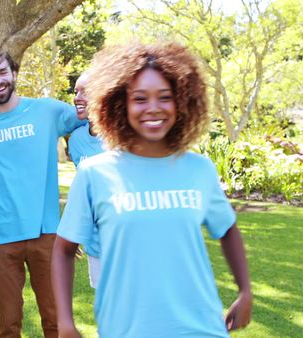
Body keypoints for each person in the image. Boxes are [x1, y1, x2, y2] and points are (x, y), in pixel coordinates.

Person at [52, 43, 253, 337]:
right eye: (140, 98)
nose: (153, 108)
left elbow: (227, 229)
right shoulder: (95, 173)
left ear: (182, 102)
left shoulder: (199, 169)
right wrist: (65, 322)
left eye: (165, 97)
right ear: (120, 104)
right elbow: (64, 250)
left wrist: (245, 290)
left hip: (201, 328)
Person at [0, 47, 85, 338]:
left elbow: (93, 118)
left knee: (56, 320)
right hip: (0, 234)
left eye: (2, 71)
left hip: (47, 231)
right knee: (9, 325)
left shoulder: (48, 111)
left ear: (14, 73)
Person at [67, 71, 105, 288]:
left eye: (86, 92)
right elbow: (83, 193)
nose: (78, 97)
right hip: (96, 243)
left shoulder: (124, 137)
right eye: (76, 91)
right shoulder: (77, 140)